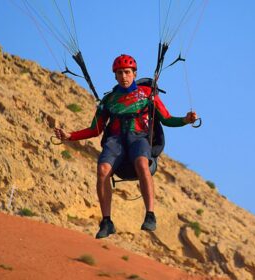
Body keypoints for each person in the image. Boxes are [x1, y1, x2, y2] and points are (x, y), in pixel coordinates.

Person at [54, 54, 197, 239]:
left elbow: (167, 119)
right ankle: (106, 221)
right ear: (115, 76)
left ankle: (150, 214)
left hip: (139, 138)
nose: (124, 76)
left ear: (134, 73)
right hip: (115, 140)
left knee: (142, 163)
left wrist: (186, 120)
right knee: (102, 169)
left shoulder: (147, 94)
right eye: (120, 73)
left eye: (127, 72)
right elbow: (95, 129)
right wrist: (70, 136)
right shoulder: (109, 100)